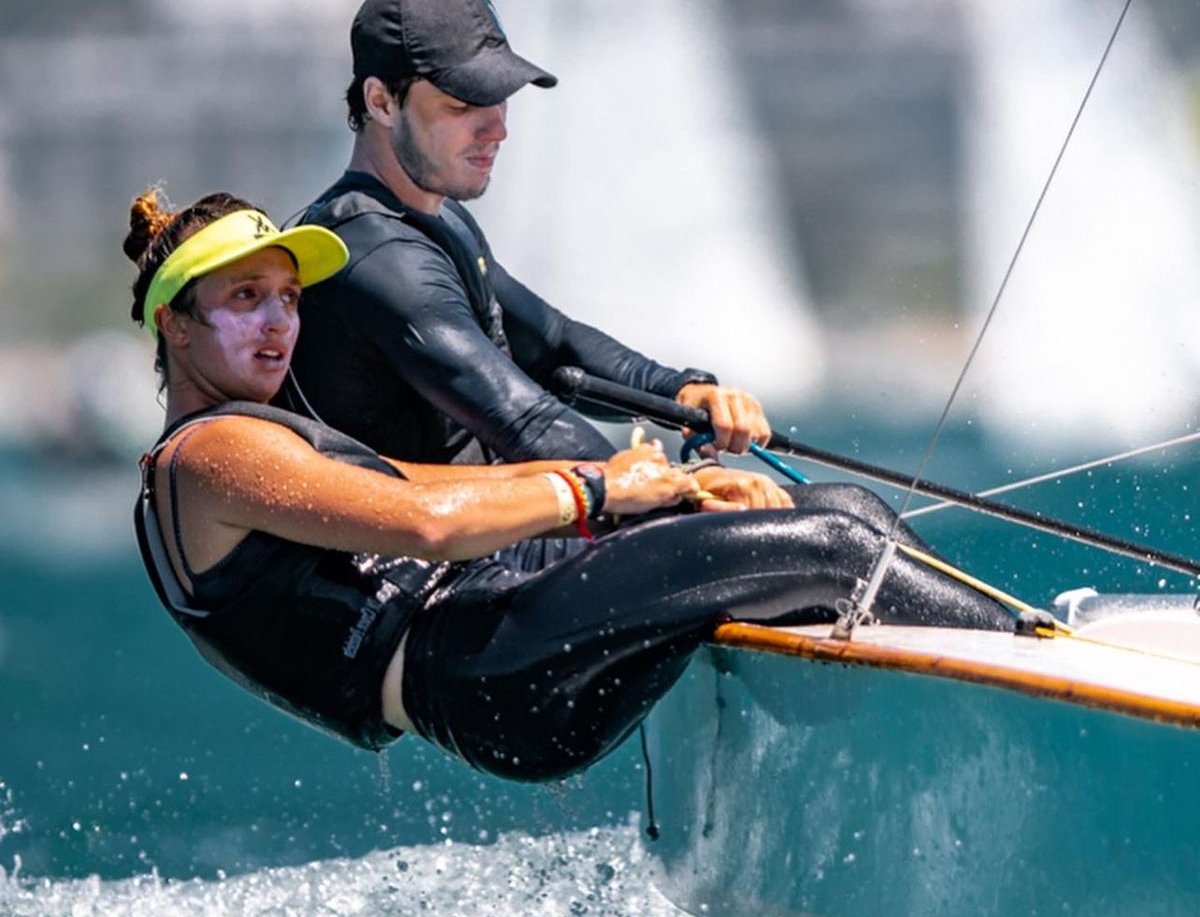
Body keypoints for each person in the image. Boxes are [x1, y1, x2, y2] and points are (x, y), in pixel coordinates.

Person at [129, 188, 1015, 783]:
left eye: (288, 297)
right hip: (485, 676)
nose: (279, 322)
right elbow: (425, 521)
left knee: (835, 511)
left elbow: (430, 481)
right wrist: (599, 493)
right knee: (835, 551)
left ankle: (955, 708)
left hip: (505, 630)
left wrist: (666, 492)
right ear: (175, 321)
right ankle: (1036, 678)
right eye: (246, 297)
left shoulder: (264, 435)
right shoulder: (205, 457)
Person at [284, 0, 776, 481]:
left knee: (839, 515)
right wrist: (678, 490)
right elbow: (524, 421)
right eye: (462, 105)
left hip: (493, 539)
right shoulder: (373, 254)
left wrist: (683, 393)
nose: (498, 128)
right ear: (382, 102)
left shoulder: (441, 219)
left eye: (500, 98)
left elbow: (554, 344)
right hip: (416, 557)